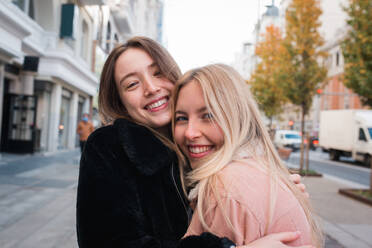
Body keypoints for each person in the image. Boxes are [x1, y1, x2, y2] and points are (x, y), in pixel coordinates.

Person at [76, 36, 312, 248]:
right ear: (120, 102)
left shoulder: (194, 143)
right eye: (132, 84)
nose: (151, 88)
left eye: (158, 72)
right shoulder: (110, 146)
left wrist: (269, 193)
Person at [172, 64, 323, 247]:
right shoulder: (258, 170)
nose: (190, 132)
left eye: (208, 115)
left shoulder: (223, 188)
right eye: (181, 118)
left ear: (238, 117)